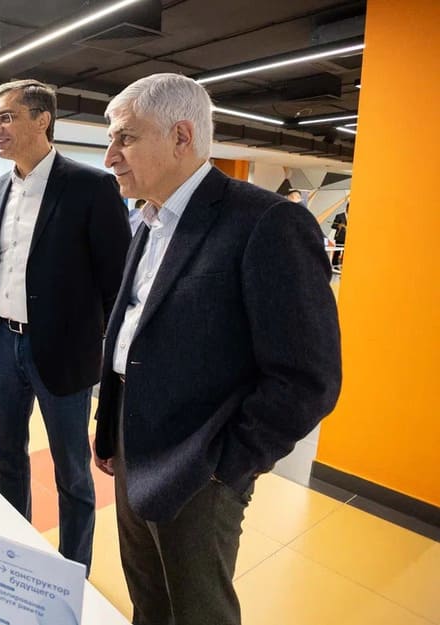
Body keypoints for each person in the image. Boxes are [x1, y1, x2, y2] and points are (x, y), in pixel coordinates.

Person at [94, 73, 342, 625]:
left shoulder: (266, 222)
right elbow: (133, 332)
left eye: (126, 138)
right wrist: (110, 426)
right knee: (149, 601)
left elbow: (309, 377)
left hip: (200, 463)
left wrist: (228, 466)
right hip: (133, 443)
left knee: (198, 612)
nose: (110, 156)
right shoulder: (148, 221)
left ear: (181, 137)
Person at [0, 79, 130, 571]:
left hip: (64, 352)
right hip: (4, 345)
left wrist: (99, 348)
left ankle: (72, 570)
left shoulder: (90, 186)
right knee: (6, 455)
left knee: (71, 471)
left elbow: (117, 282)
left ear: (42, 119)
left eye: (6, 117)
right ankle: (16, 553)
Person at [331, 203, 348, 268]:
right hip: (340, 238)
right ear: (347, 207)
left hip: (348, 238)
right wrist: (338, 226)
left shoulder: (353, 216)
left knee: (346, 253)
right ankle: (334, 265)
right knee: (337, 252)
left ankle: (343, 265)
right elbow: (333, 225)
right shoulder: (339, 216)